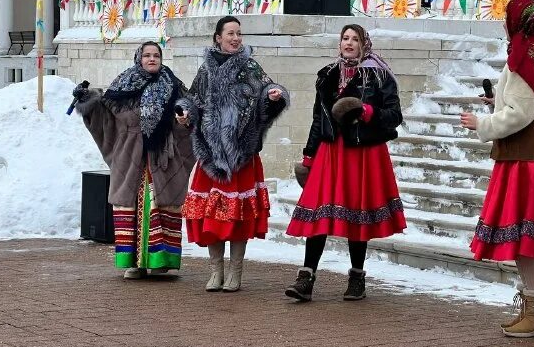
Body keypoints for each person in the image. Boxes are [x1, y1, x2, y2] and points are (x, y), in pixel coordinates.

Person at [459, 0, 534, 338]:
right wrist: (499, 103)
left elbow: (522, 113)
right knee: (528, 237)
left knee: (526, 237)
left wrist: (483, 123)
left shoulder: (523, 57)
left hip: (525, 158)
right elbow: (532, 102)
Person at [285, 24, 406, 302]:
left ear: (364, 44)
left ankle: (356, 278)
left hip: (363, 152)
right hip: (330, 151)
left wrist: (367, 111)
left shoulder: (379, 75)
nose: (349, 43)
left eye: (355, 39)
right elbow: (319, 118)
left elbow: (394, 115)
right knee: (319, 213)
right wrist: (309, 154)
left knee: (357, 212)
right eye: (345, 38)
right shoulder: (328, 74)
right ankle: (306, 278)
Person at [177, 15, 288, 292]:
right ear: (218, 38)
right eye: (230, 33)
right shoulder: (206, 69)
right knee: (210, 215)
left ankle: (235, 272)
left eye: (239, 33)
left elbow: (266, 91)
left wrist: (273, 96)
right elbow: (193, 99)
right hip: (211, 154)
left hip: (241, 154)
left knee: (239, 216)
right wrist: (185, 113)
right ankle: (216, 271)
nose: (236, 38)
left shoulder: (250, 66)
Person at [74, 41, 194, 279]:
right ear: (139, 58)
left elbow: (188, 114)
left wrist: (185, 120)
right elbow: (104, 117)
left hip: (163, 157)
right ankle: (133, 263)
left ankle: (161, 261)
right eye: (147, 55)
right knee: (131, 207)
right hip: (129, 157)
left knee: (160, 206)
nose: (152, 59)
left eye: (156, 55)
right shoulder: (122, 84)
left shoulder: (174, 86)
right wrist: (87, 101)